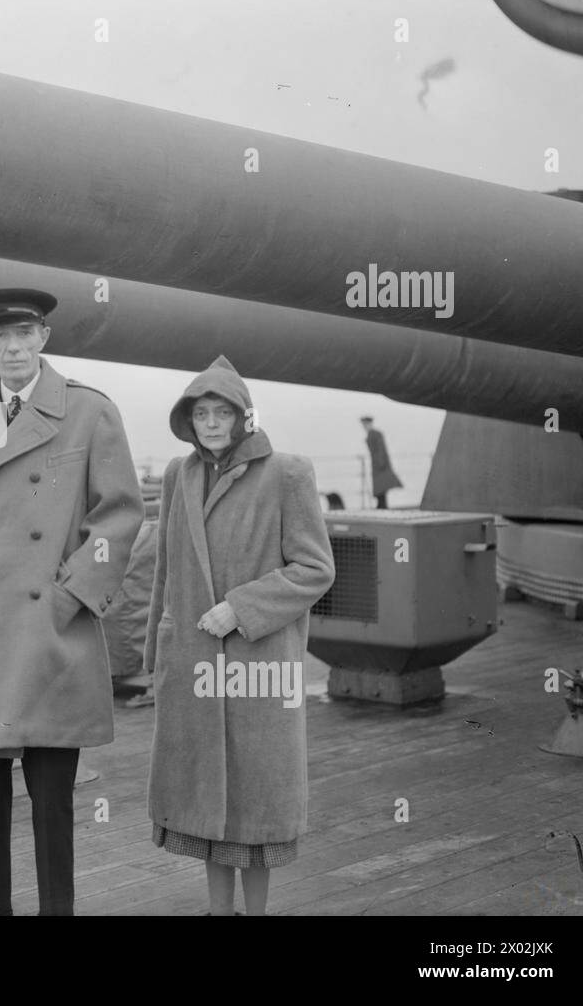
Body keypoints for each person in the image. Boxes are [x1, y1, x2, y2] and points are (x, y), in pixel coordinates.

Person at [0, 288, 144, 916]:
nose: (13, 347)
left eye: (24, 334)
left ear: (44, 338)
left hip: (51, 628)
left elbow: (119, 516)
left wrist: (72, 596)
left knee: (52, 795)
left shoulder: (89, 411)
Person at [144, 356, 334, 916]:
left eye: (221, 412)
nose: (210, 422)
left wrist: (240, 608)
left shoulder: (288, 472)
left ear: (243, 417)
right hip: (193, 661)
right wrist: (158, 656)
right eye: (200, 413)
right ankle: (216, 911)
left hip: (259, 663)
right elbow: (163, 570)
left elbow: (315, 569)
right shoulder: (179, 474)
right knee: (205, 804)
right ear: (189, 420)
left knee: (255, 805)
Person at [360, 415, 402, 509]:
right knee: (380, 487)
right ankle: (381, 504)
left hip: (380, 465)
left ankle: (382, 505)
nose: (364, 426)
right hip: (377, 465)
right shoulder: (371, 434)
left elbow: (381, 449)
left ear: (369, 423)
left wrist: (381, 463)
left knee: (381, 486)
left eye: (365, 424)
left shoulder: (376, 434)